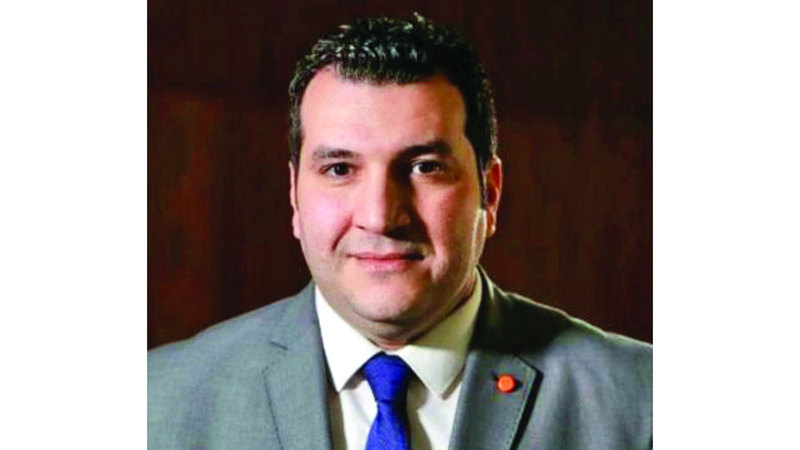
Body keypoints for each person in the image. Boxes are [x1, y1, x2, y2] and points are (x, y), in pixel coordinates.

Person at [148, 14, 652, 450]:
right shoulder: (156, 404)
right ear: (295, 196)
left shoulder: (644, 405)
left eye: (424, 167)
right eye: (340, 169)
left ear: (491, 193)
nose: (381, 216)